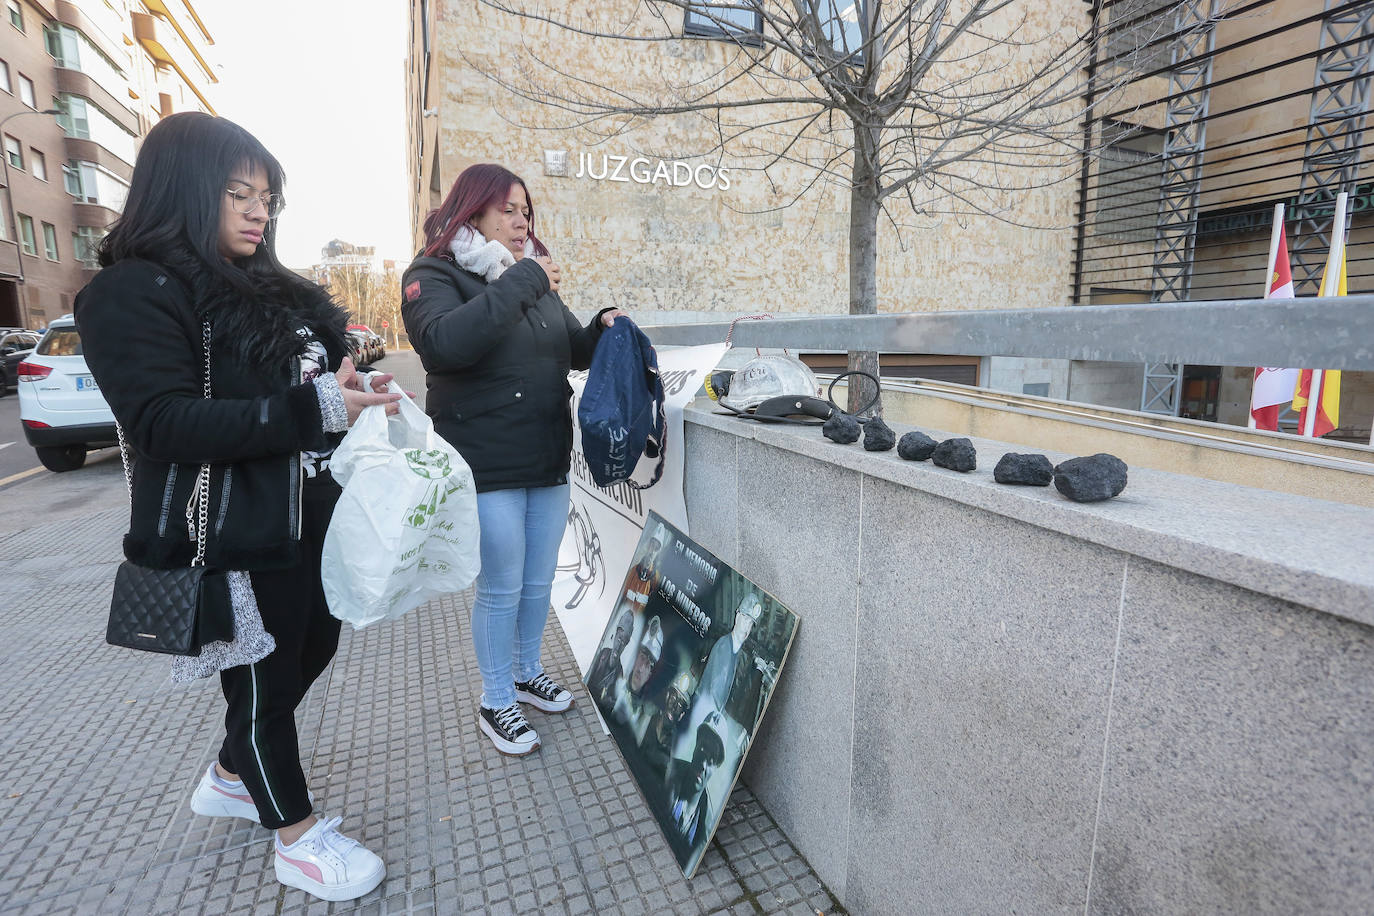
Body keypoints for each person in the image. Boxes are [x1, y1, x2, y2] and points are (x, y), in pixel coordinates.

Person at [75, 112, 400, 903]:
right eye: (238, 193)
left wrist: (351, 392)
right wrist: (314, 406)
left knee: (313, 649)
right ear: (185, 189)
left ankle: (230, 773)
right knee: (262, 681)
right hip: (230, 525)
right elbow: (163, 421)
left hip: (309, 510)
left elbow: (308, 394)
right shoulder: (132, 291)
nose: (259, 211)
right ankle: (293, 835)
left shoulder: (270, 290)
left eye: (268, 197)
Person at [402, 163, 626, 756]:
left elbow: (567, 348)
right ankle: (495, 696)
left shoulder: (530, 281)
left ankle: (527, 671)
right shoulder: (434, 274)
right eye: (509, 208)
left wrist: (601, 329)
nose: (522, 219)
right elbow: (447, 343)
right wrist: (527, 279)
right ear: (472, 212)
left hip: (547, 455)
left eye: (527, 210)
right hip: (486, 462)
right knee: (500, 588)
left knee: (535, 582)